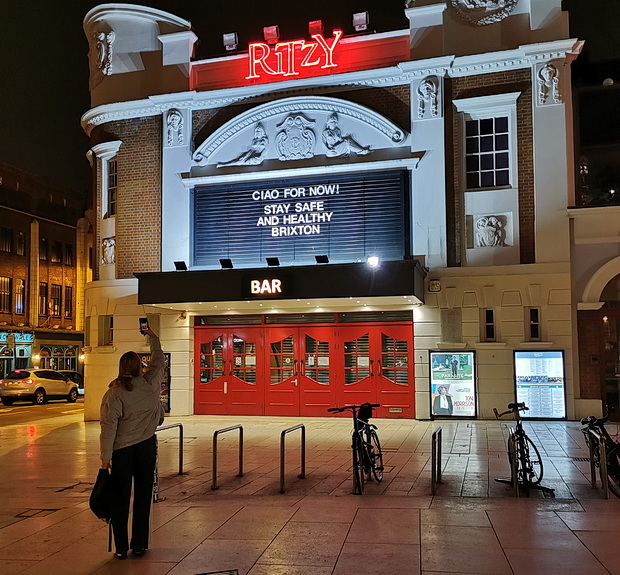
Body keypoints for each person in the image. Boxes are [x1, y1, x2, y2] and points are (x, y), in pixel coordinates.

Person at [99, 327, 165, 559]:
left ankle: (120, 547)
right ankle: (139, 544)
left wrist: (105, 458)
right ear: (139, 366)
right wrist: (153, 337)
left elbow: (108, 427)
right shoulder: (151, 384)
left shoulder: (114, 394)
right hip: (147, 446)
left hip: (122, 451)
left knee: (120, 497)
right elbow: (159, 362)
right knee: (143, 496)